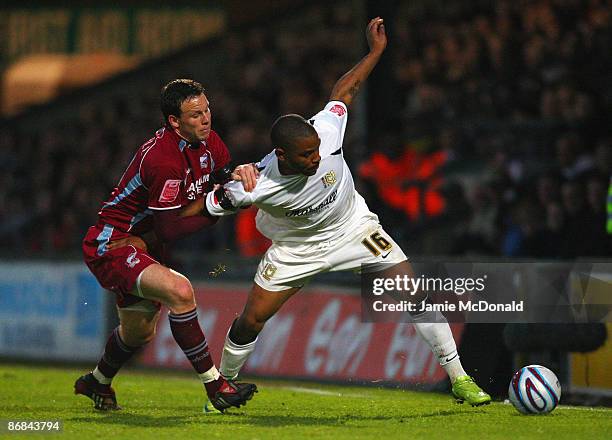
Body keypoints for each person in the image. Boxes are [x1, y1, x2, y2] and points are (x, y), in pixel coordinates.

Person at [203, 18, 491, 408]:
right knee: (252, 320)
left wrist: (374, 53)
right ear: (283, 155)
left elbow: (346, 89)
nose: (317, 157)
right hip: (296, 249)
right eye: (306, 155)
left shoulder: (325, 131)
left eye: (317, 150)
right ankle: (223, 389)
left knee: (415, 294)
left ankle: (459, 379)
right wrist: (228, 173)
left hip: (354, 230)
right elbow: (211, 200)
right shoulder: (259, 182)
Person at [76, 79, 258, 413]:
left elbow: (220, 172)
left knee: (138, 334)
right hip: (114, 241)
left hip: (144, 244)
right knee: (181, 291)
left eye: (207, 109)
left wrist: (237, 173)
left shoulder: (207, 140)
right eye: (195, 114)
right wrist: (219, 207)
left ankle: (97, 381)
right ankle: (216, 386)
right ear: (174, 121)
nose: (206, 119)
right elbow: (171, 228)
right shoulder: (163, 160)